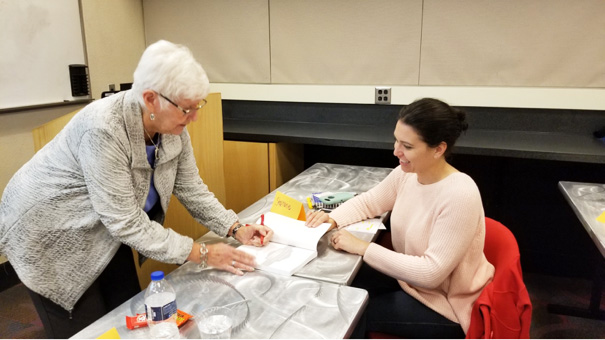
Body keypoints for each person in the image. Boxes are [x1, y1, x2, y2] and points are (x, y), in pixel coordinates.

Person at [0, 40, 273, 338]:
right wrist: (202, 252)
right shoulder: (103, 128)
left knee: (128, 314)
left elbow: (191, 188)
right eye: (186, 108)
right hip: (50, 233)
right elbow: (125, 222)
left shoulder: (172, 129)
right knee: (84, 329)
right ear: (151, 98)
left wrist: (234, 227)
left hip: (105, 225)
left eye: (198, 106)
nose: (194, 116)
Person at [306, 98, 495, 338]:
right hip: (408, 280)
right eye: (396, 140)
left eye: (407, 145)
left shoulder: (460, 194)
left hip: (445, 302)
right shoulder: (408, 174)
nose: (396, 151)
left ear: (439, 149)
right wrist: (331, 219)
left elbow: (431, 273)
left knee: (350, 311)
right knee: (337, 281)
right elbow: (370, 201)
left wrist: (363, 248)